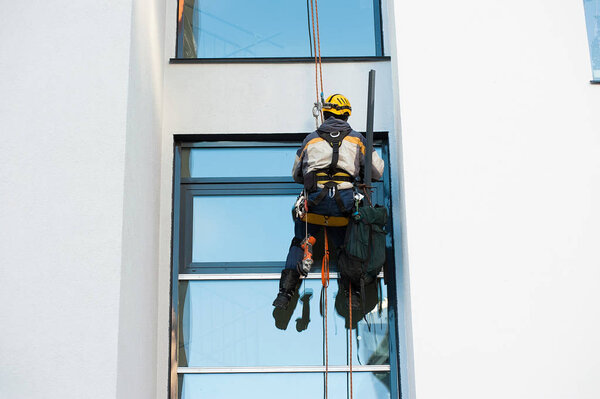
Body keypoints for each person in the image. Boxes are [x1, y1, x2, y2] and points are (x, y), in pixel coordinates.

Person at [272, 94, 385, 310]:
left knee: (300, 239)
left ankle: (285, 293)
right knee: (349, 246)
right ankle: (352, 295)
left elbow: (296, 174)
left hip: (314, 205)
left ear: (325, 113)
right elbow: (377, 171)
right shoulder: (358, 139)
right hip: (343, 207)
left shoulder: (310, 140)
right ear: (346, 115)